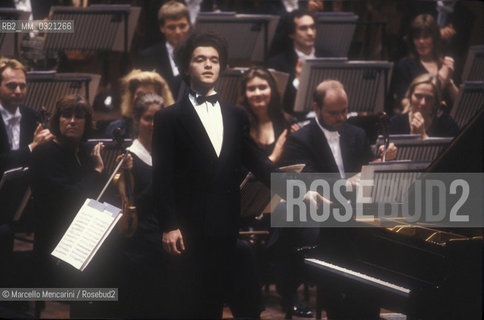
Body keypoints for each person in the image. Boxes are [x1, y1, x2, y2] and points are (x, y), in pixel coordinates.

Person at [151, 31, 284, 319]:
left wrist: (298, 189)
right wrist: (169, 225)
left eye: (214, 60)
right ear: (187, 67)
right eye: (200, 59)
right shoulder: (168, 118)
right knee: (188, 305)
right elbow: (161, 178)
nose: (209, 65)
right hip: (186, 230)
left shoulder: (235, 115)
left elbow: (257, 160)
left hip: (225, 227)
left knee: (213, 304)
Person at [279, 80, 396, 320]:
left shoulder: (357, 134)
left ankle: (365, 306)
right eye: (333, 112)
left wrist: (380, 165)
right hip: (315, 214)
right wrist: (347, 183)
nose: (341, 117)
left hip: (353, 211)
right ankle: (339, 310)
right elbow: (308, 184)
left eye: (344, 110)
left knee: (378, 240)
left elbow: (367, 178)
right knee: (340, 241)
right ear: (316, 107)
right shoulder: (300, 140)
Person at [29, 94, 112, 317]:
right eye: (66, 115)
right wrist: (96, 172)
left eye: (79, 116)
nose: (72, 121)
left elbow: (101, 195)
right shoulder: (44, 154)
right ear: (58, 120)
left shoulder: (86, 151)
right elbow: (69, 199)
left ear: (87, 123)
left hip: (84, 236)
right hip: (56, 244)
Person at [115, 93, 167, 318]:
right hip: (142, 233)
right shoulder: (130, 157)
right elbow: (134, 205)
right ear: (137, 120)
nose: (154, 124)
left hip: (166, 226)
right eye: (148, 118)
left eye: (159, 118)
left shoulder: (166, 153)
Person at [389, 14, 459, 114]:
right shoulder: (405, 65)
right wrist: (441, 80)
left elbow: (460, 104)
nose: (421, 41)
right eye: (417, 37)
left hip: (446, 121)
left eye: (426, 37)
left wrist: (448, 82)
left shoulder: (444, 65)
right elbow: (404, 103)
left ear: (434, 39)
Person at [0, 58, 53, 174]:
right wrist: (33, 146)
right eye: (12, 86)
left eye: (22, 86)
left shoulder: (33, 116)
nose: (19, 91)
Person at [237, 67, 299, 163]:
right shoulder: (238, 126)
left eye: (262, 87)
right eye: (251, 89)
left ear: (272, 90)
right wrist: (273, 158)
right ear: (244, 94)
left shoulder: (288, 122)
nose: (257, 93)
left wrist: (300, 142)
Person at [267, 10, 321, 114]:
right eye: (303, 28)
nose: (310, 33)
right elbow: (284, 105)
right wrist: (297, 81)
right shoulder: (278, 64)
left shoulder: (328, 57)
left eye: (312, 27)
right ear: (292, 34)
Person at [136, 1, 191, 99]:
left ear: (189, 25)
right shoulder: (147, 57)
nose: (178, 32)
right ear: (162, 28)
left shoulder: (200, 54)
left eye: (182, 26)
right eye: (171, 27)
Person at [104, 69, 174, 139]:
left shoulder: (171, 129)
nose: (143, 99)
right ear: (131, 97)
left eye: (149, 94)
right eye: (139, 94)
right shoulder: (115, 129)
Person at [389, 73, 459, 138]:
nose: (423, 103)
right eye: (418, 96)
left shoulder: (448, 124)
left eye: (429, 98)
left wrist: (424, 136)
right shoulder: (395, 123)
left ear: (436, 101)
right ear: (410, 97)